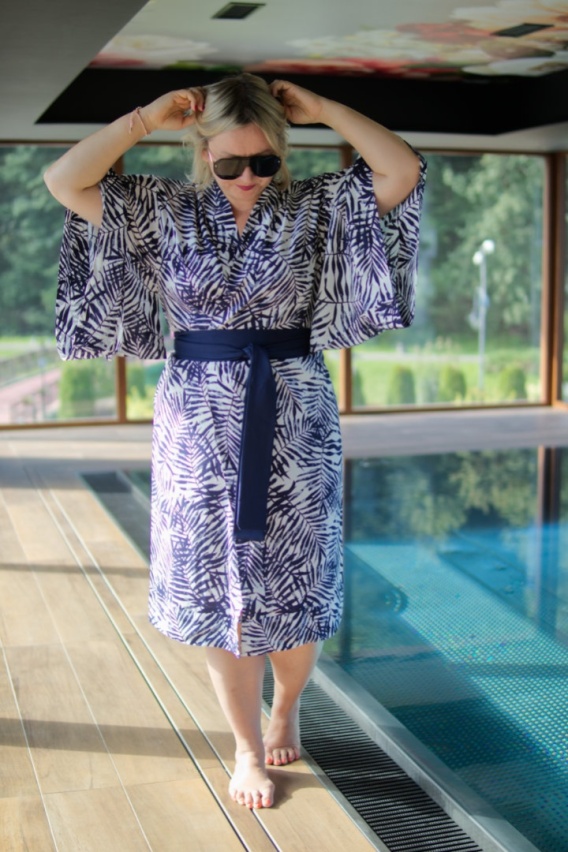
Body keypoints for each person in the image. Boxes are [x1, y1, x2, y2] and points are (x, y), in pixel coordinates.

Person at [44, 73, 426, 810]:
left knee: (298, 585)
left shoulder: (316, 206)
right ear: (203, 152)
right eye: (230, 163)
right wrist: (144, 118)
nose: (248, 177)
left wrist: (325, 109)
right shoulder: (161, 210)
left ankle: (289, 706)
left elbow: (401, 170)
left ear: (283, 155)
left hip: (295, 417)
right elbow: (66, 180)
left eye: (264, 162)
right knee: (218, 594)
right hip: (196, 424)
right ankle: (247, 748)